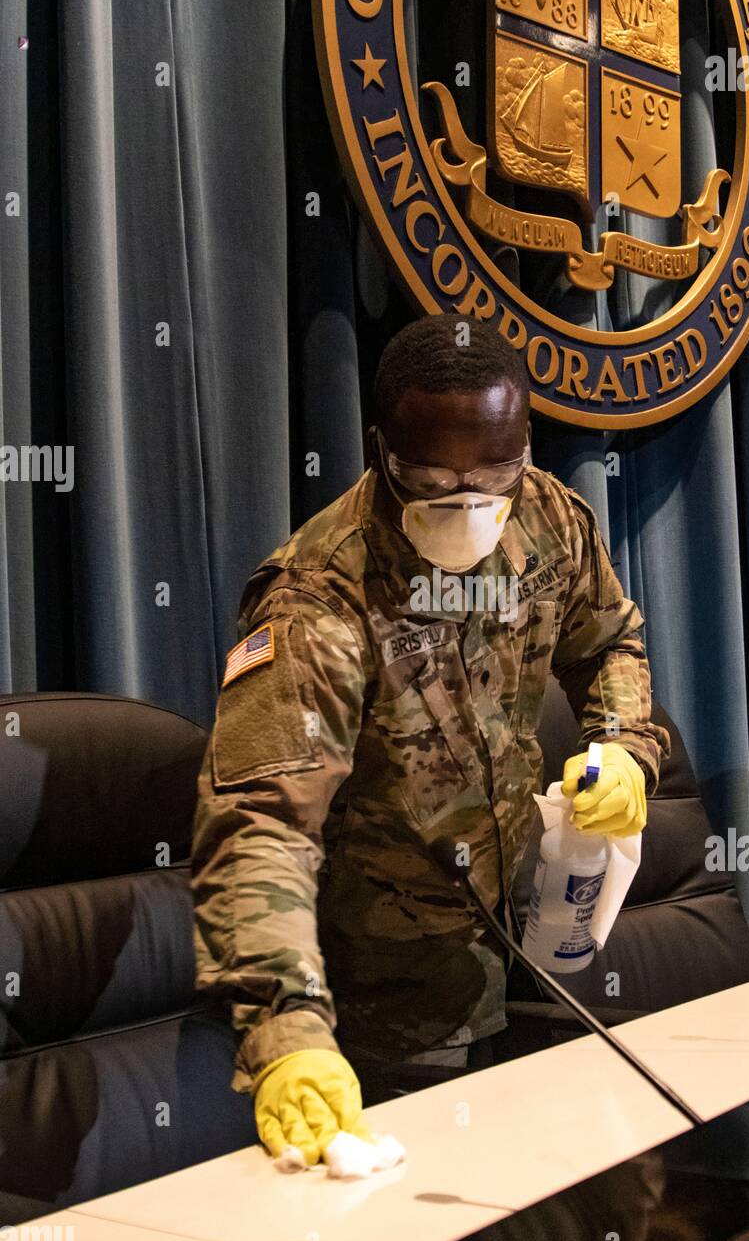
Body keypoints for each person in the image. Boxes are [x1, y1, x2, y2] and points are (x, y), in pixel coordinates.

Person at [190, 314, 669, 1168]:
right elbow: (260, 823)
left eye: (498, 471)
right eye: (436, 482)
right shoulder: (318, 598)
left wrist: (624, 745)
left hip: (521, 942)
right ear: (383, 450)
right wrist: (287, 1028)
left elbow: (609, 645)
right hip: (381, 999)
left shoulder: (549, 516)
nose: (472, 500)